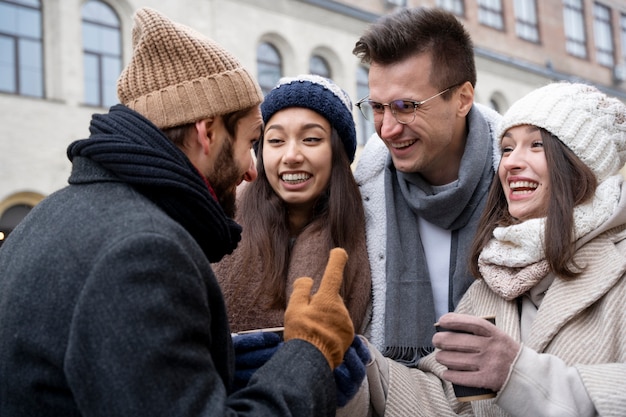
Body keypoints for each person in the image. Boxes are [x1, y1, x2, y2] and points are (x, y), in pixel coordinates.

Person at [0, 8, 355, 416]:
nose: (252, 170)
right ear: (207, 132)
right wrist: (310, 352)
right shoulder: (142, 253)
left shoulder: (50, 215)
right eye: (253, 141)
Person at [354, 82, 626, 416]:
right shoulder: (494, 278)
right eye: (508, 148)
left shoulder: (619, 265)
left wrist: (519, 374)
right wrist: (357, 364)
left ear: (581, 163)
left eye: (536, 145)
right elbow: (446, 401)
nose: (511, 163)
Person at [352, 6, 501, 365]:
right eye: (376, 107)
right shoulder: (362, 193)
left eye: (406, 106)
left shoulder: (522, 186)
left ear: (463, 99)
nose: (386, 128)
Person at [214, 74, 371, 335]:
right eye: (276, 141)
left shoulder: (366, 233)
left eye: (311, 139)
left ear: (337, 153)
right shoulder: (222, 222)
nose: (291, 156)